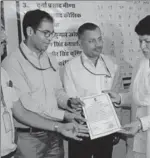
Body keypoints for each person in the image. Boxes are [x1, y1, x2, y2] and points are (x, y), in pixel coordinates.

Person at [2, 9, 88, 158]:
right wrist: (64, 116)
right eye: (46, 33)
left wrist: (68, 101)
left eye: (52, 33)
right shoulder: (12, 63)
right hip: (29, 138)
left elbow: (57, 91)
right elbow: (27, 106)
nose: (50, 38)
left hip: (55, 134)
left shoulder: (51, 58)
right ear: (30, 31)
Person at [105, 15, 150, 158]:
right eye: (140, 41)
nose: (142, 46)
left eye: (147, 41)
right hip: (136, 141)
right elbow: (136, 95)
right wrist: (119, 98)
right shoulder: (141, 63)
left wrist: (141, 123)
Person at [63, 22, 121, 158]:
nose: (98, 44)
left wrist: (116, 127)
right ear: (80, 43)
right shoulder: (71, 67)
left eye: (100, 39)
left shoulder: (112, 64)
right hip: (81, 130)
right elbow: (71, 102)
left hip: (106, 129)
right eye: (92, 41)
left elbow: (116, 99)